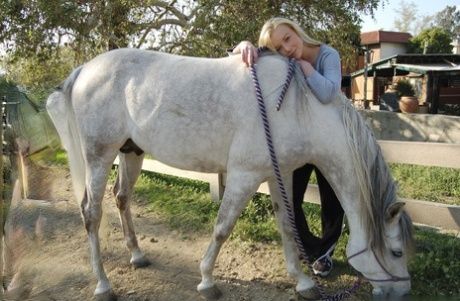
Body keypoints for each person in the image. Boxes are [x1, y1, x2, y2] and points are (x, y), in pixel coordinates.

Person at [232, 17, 344, 277]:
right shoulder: (284, 59)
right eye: (280, 48)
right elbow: (253, 55)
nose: (287, 49)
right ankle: (310, 249)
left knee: (332, 200)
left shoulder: (328, 55)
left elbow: (329, 94)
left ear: (296, 30)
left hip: (328, 141)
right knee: (290, 199)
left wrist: (306, 68)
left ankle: (326, 253)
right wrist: (243, 44)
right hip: (299, 142)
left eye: (287, 39)